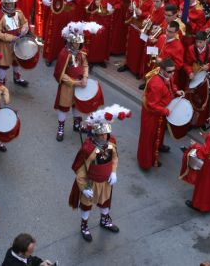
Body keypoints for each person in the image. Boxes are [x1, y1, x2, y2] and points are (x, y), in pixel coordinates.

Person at [68, 104, 128, 242]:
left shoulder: (111, 142)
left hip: (106, 182)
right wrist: (83, 188)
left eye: (105, 134)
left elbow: (115, 158)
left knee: (105, 202)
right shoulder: (88, 149)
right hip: (90, 184)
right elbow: (81, 171)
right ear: (94, 135)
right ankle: (84, 226)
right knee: (86, 205)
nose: (103, 136)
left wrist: (113, 172)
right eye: (100, 134)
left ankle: (105, 220)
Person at [53, 22, 97, 141]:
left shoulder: (81, 53)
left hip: (79, 85)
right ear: (70, 41)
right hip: (67, 87)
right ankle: (61, 128)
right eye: (76, 42)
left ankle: (77, 124)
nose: (78, 44)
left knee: (77, 105)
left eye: (79, 42)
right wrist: (75, 82)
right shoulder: (64, 53)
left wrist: (85, 78)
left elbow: (86, 65)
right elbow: (61, 74)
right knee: (64, 107)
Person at [36, 0, 85, 65]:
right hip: (57, 14)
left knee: (69, 38)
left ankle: (66, 59)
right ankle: (49, 58)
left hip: (70, 15)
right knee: (54, 36)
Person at [138, 58, 181, 170]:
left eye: (173, 71)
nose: (172, 74)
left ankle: (158, 147)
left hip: (159, 113)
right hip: (152, 115)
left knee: (159, 133)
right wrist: (166, 111)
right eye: (170, 72)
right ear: (162, 70)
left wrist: (176, 91)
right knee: (148, 137)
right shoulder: (156, 84)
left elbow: (171, 85)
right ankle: (146, 162)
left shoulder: (167, 75)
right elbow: (152, 105)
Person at [0, 0, 31, 86]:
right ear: (3, 3)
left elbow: (25, 22)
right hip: (4, 45)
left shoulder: (18, 12)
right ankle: (1, 82)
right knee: (3, 64)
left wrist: (24, 30)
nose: (10, 5)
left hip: (18, 42)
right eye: (8, 3)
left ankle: (17, 78)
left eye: (12, 3)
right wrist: (11, 38)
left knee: (16, 60)